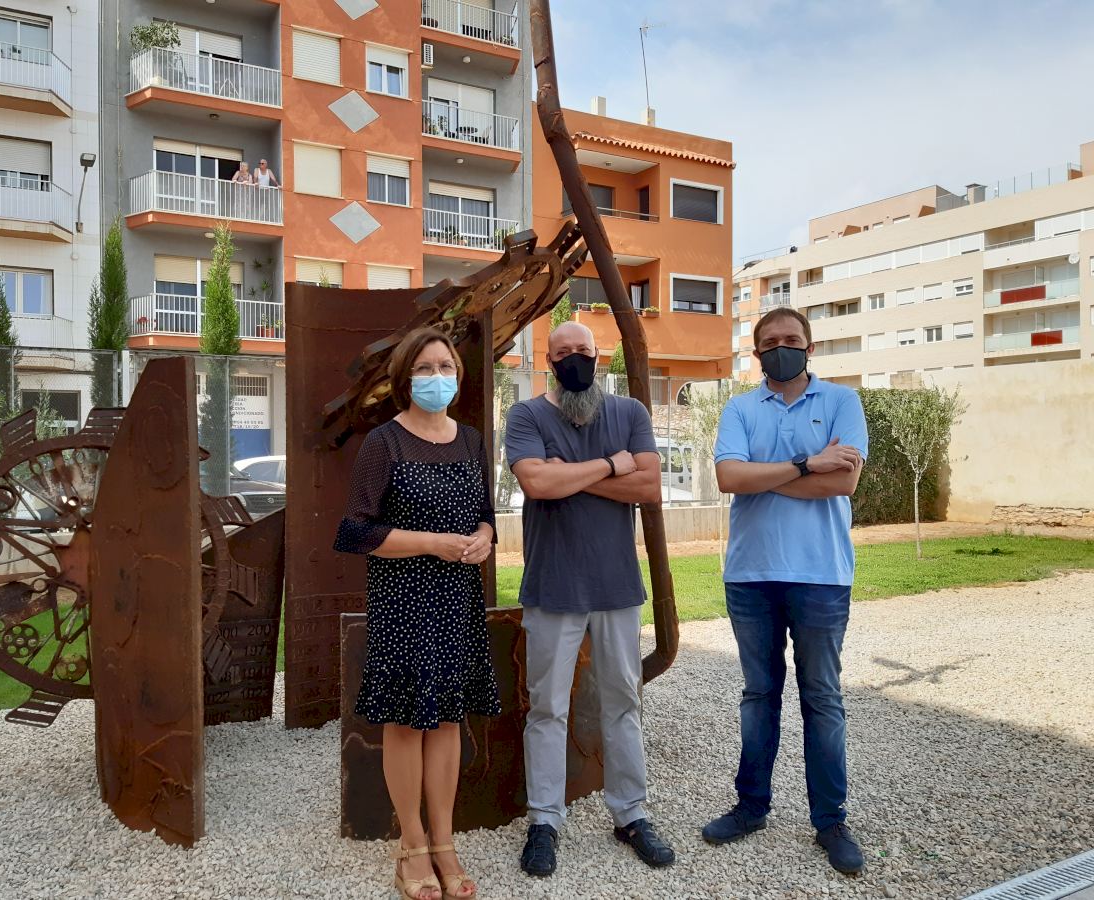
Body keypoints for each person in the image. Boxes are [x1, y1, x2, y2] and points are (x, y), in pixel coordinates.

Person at [504, 321, 676, 878]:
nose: (574, 357)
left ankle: (631, 813)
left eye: (583, 349)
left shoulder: (629, 413)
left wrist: (571, 476)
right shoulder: (527, 416)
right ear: (549, 359)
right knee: (547, 708)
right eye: (564, 352)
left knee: (622, 701)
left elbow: (648, 487)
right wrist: (610, 465)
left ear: (598, 356)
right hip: (553, 585)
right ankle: (544, 820)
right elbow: (537, 484)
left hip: (616, 587)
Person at [702, 307, 869, 875]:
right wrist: (806, 464)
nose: (781, 348)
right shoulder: (740, 408)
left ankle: (831, 821)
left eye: (791, 339)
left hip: (822, 574)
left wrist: (768, 475)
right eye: (770, 341)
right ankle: (751, 807)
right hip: (751, 575)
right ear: (756, 353)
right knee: (759, 695)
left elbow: (844, 481)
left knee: (822, 697)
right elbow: (729, 478)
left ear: (810, 347)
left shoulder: (842, 402)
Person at [334, 327, 500, 900]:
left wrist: (484, 537)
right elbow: (355, 531)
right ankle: (412, 845)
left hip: (456, 598)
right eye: (425, 369)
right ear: (405, 379)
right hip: (403, 599)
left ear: (458, 374)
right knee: (406, 722)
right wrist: (432, 543)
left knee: (448, 719)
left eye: (445, 367)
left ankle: (445, 842)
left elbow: (485, 513)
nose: (437, 377)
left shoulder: (471, 440)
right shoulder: (384, 442)